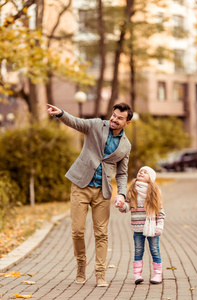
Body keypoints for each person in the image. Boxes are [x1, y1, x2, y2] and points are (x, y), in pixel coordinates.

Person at [47, 102, 133, 287]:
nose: (114, 119)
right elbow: (76, 122)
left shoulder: (126, 146)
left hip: (103, 191)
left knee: (101, 234)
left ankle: (100, 274)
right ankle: (80, 266)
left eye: (120, 118)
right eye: (114, 115)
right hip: (81, 185)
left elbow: (122, 173)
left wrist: (123, 194)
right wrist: (61, 113)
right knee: (77, 231)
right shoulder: (96, 125)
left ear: (127, 123)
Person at [114, 166, 165, 285]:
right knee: (138, 251)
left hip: (152, 229)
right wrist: (121, 205)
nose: (141, 172)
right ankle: (137, 275)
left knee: (155, 250)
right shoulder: (133, 191)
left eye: (145, 172)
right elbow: (127, 207)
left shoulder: (154, 193)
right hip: (137, 228)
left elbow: (161, 212)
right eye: (140, 171)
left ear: (150, 178)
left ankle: (157, 275)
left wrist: (159, 226)